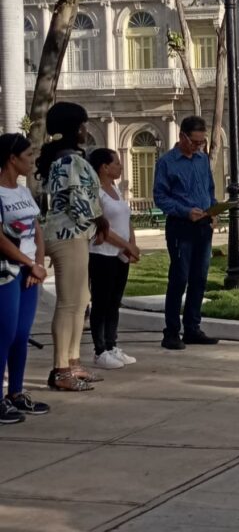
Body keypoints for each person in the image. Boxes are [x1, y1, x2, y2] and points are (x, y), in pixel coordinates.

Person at [38, 102, 109, 392]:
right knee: (69, 303)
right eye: (81, 125)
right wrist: (100, 220)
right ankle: (60, 369)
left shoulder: (66, 158)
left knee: (80, 300)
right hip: (67, 235)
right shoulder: (68, 161)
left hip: (74, 234)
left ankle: (73, 361)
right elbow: (79, 200)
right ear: (71, 128)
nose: (84, 130)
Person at [153, 116, 220, 348]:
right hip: (181, 226)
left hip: (203, 225)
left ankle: (193, 327)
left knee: (199, 278)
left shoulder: (202, 160)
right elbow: (160, 197)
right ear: (182, 136)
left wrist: (213, 209)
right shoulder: (167, 163)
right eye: (194, 142)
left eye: (202, 143)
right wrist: (184, 211)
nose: (198, 147)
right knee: (179, 278)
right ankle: (171, 331)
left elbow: (209, 188)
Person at [0, 135, 49, 421]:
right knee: (4, 334)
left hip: (30, 272)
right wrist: (29, 263)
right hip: (8, 271)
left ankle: (16, 393)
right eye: (28, 155)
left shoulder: (22, 192)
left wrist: (38, 264)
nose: (32, 161)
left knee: (21, 334)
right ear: (12, 158)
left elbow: (37, 229)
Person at [88, 149, 141, 369]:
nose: (120, 166)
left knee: (114, 302)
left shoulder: (116, 189)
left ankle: (111, 345)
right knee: (101, 302)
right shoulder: (96, 193)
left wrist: (132, 244)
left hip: (120, 254)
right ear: (104, 167)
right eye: (117, 163)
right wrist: (126, 245)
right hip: (102, 254)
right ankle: (99, 350)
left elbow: (126, 218)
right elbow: (103, 228)